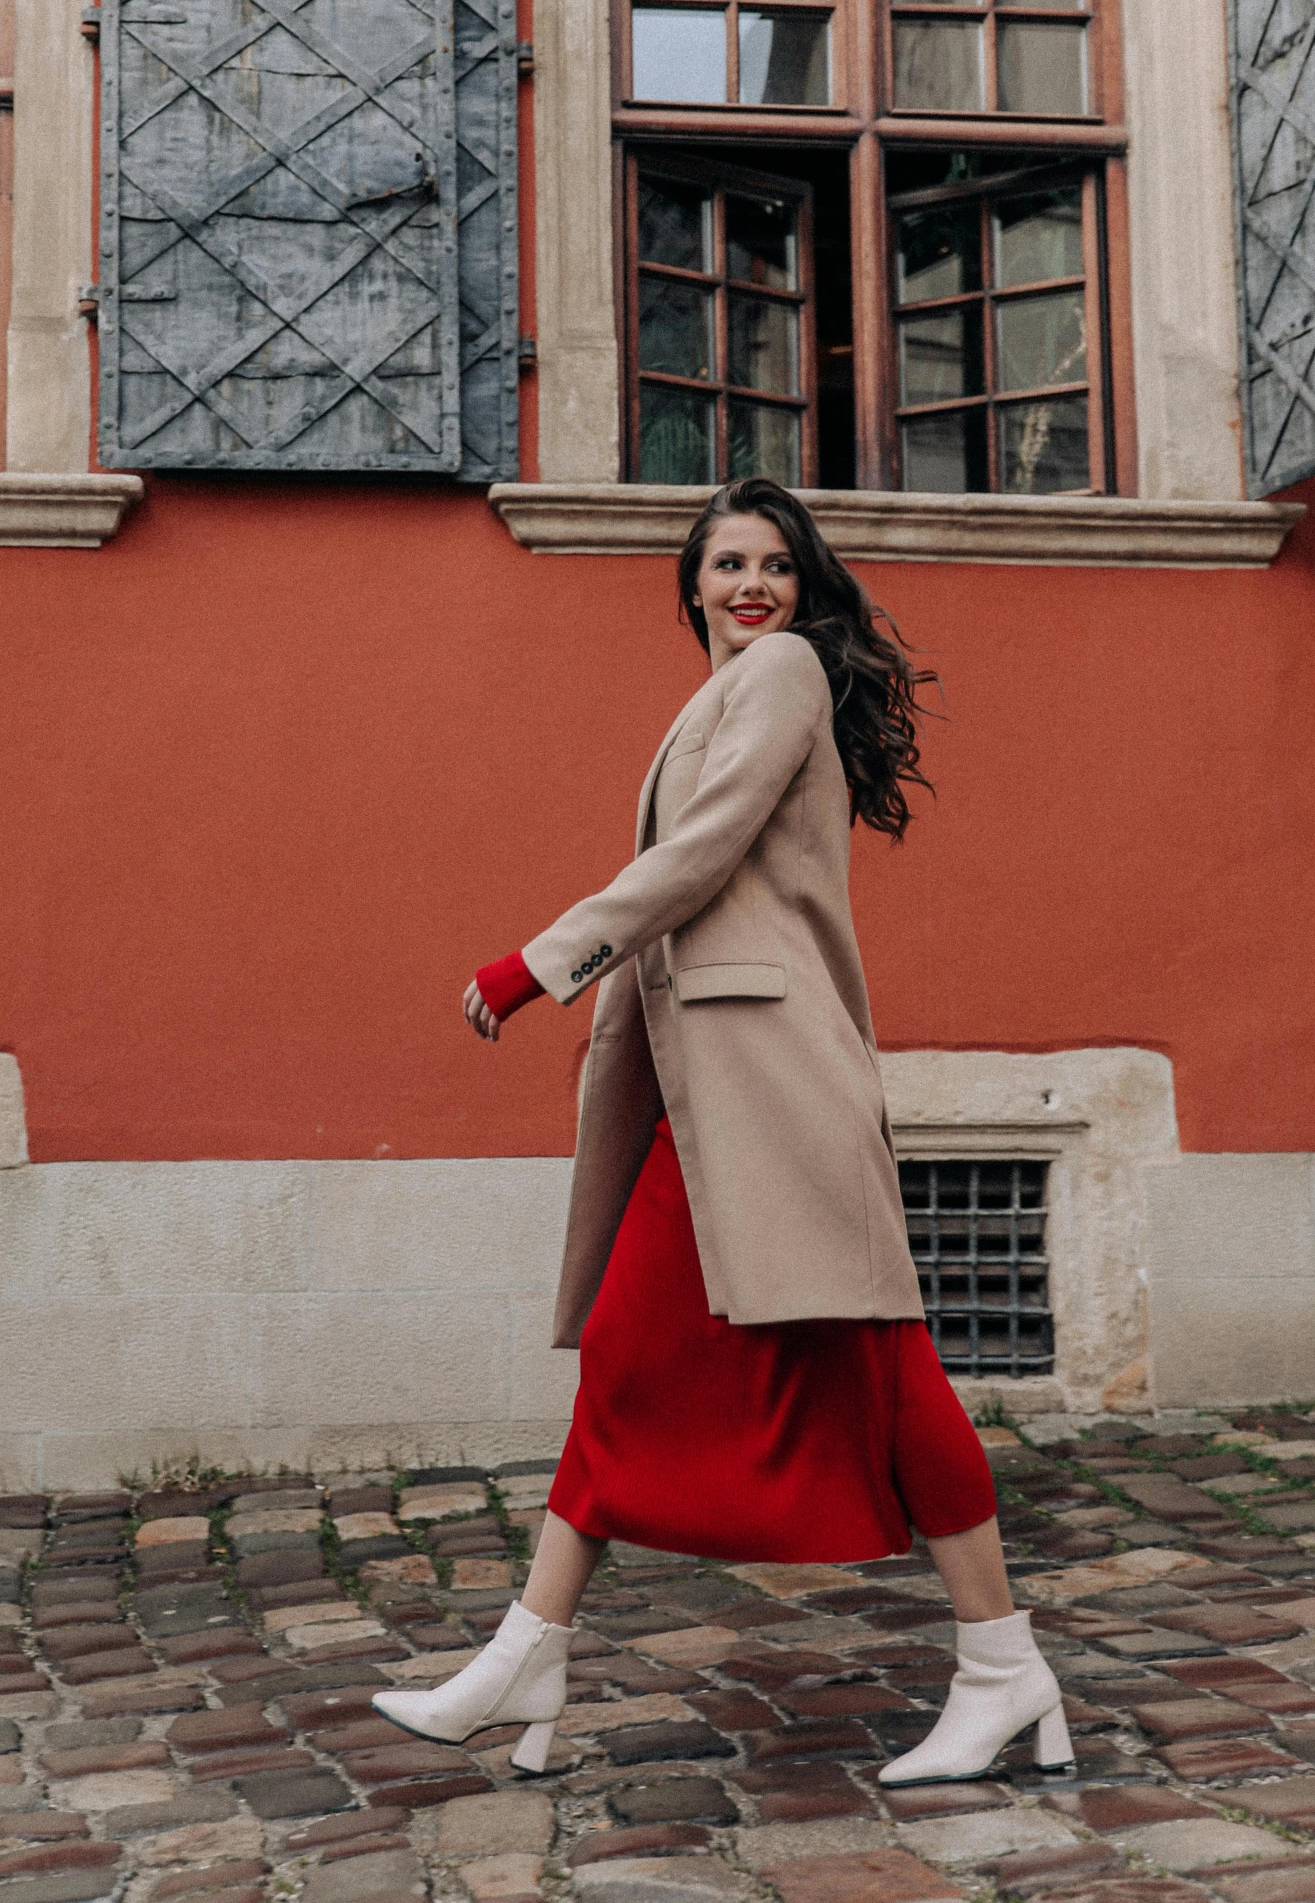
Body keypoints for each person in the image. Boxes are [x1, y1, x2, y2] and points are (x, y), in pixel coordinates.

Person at [372, 478, 1070, 1787]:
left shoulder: (783, 674)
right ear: (689, 583)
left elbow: (702, 851)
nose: (751, 583)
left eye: (774, 564)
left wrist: (539, 961)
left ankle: (1000, 1662)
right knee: (635, 1349)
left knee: (882, 1358)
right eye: (726, 562)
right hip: (718, 1083)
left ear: (803, 587)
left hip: (773, 1074)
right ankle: (530, 1648)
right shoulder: (732, 686)